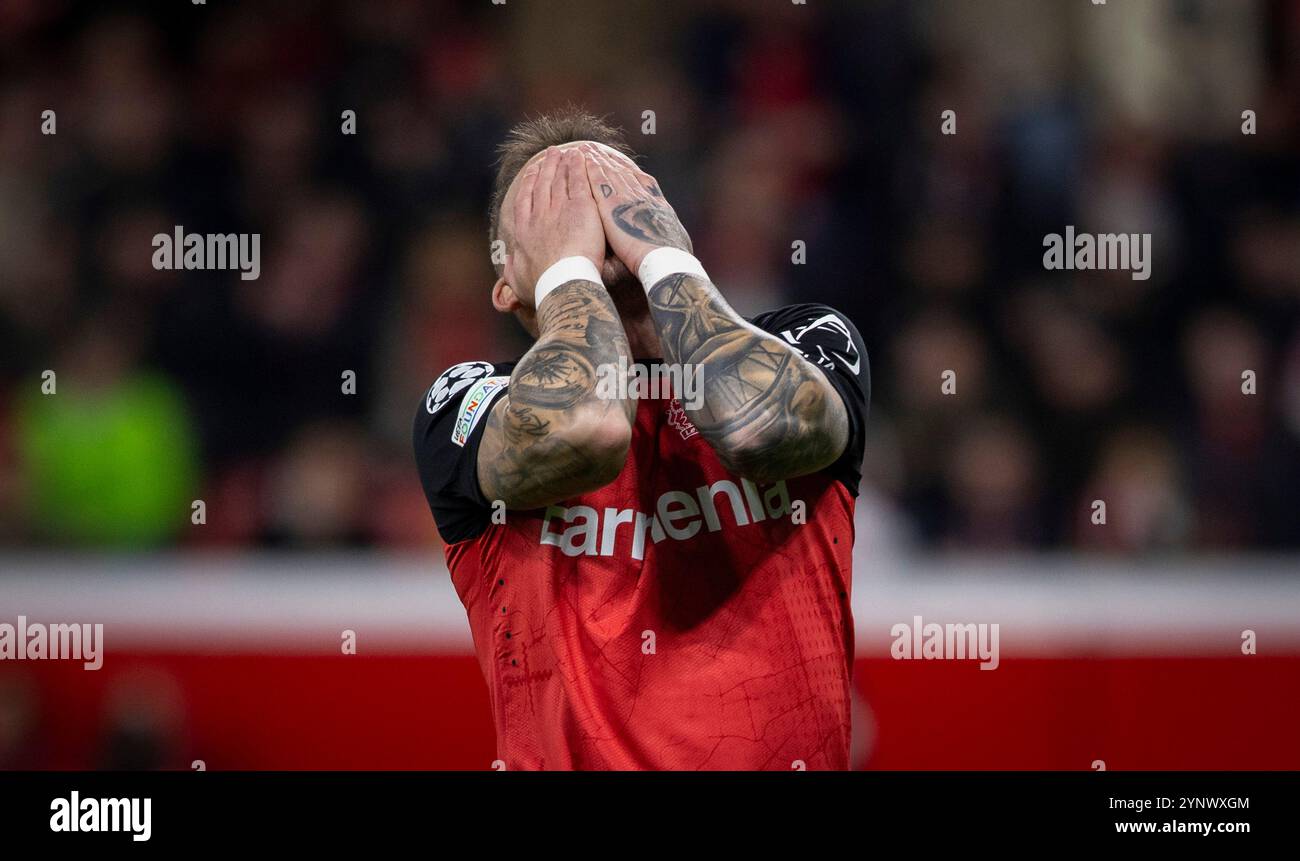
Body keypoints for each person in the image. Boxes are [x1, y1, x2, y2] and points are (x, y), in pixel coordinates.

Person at [413, 109, 869, 769]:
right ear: (507, 285)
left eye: (609, 194)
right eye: (552, 208)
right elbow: (587, 425)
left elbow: (758, 426)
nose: (589, 216)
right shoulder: (468, 400)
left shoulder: (808, 341)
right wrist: (571, 272)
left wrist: (664, 259)